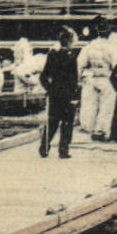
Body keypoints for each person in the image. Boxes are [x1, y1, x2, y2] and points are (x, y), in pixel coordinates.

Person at [38, 28, 80, 158]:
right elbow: (74, 78)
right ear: (69, 41)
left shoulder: (52, 55)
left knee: (52, 122)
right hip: (67, 94)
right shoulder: (72, 57)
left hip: (55, 94)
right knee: (67, 123)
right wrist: (75, 96)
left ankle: (44, 147)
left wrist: (49, 89)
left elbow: (43, 76)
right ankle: (63, 150)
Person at [77, 25, 117, 139]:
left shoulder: (89, 47)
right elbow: (116, 66)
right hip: (105, 78)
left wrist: (81, 78)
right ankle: (101, 129)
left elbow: (80, 64)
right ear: (108, 33)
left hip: (91, 77)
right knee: (106, 106)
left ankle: (87, 127)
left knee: (89, 104)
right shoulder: (111, 48)